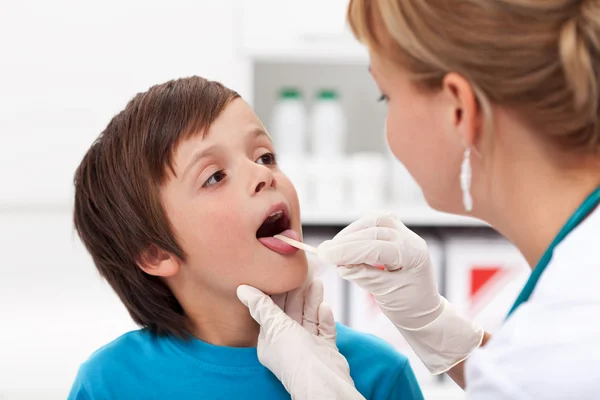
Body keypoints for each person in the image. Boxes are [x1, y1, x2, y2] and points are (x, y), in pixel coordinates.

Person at [235, 0, 600, 398]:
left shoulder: (569, 340)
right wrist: (437, 327)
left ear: (458, 109)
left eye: (385, 97)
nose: (262, 177)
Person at [67, 76, 424, 399]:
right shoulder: (109, 386)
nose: (263, 174)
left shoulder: (378, 375)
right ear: (155, 252)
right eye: (215, 176)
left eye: (265, 156)